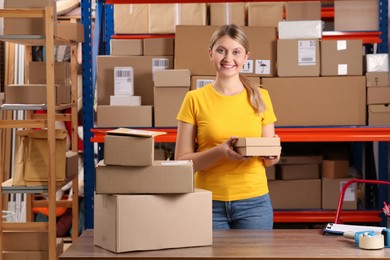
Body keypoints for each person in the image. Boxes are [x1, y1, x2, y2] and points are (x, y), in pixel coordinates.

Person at [175, 24, 280, 230]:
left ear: (246, 57)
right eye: (221, 50)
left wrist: (273, 155)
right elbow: (182, 162)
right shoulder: (194, 99)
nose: (228, 58)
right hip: (207, 201)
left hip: (254, 203)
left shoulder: (261, 97)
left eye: (236, 52)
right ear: (211, 54)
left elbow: (268, 161)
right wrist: (221, 151)